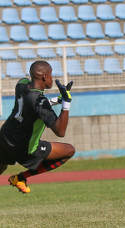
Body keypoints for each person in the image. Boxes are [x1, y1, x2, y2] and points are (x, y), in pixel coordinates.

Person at [0, 60, 75, 194]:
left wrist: (56, 100)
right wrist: (66, 104)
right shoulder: (40, 101)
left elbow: (32, 107)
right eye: (51, 75)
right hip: (24, 149)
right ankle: (21, 178)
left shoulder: (21, 85)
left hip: (5, 139)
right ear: (45, 77)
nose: (52, 78)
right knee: (69, 150)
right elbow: (60, 131)